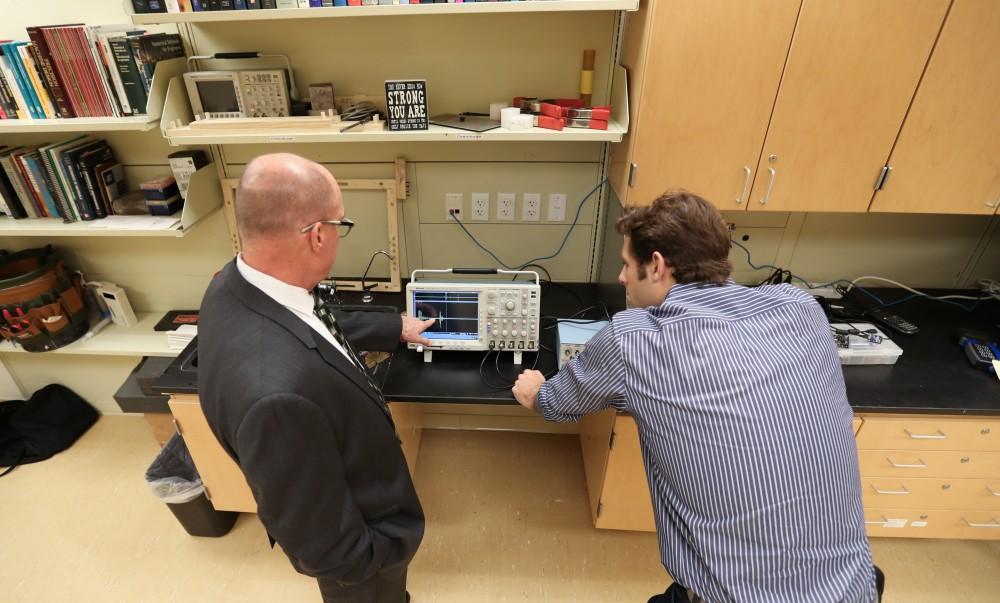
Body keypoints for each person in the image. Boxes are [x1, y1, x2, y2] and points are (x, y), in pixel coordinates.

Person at [512, 191, 880, 603]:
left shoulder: (631, 339)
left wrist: (536, 391)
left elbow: (558, 404)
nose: (621, 278)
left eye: (626, 265)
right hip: (854, 586)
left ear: (656, 266)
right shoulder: (801, 307)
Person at [198, 153, 435, 603]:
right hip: (362, 551)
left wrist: (393, 327)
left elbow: (310, 321)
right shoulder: (278, 400)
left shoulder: (233, 283)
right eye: (340, 225)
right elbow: (327, 550)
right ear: (319, 235)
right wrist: (385, 551)